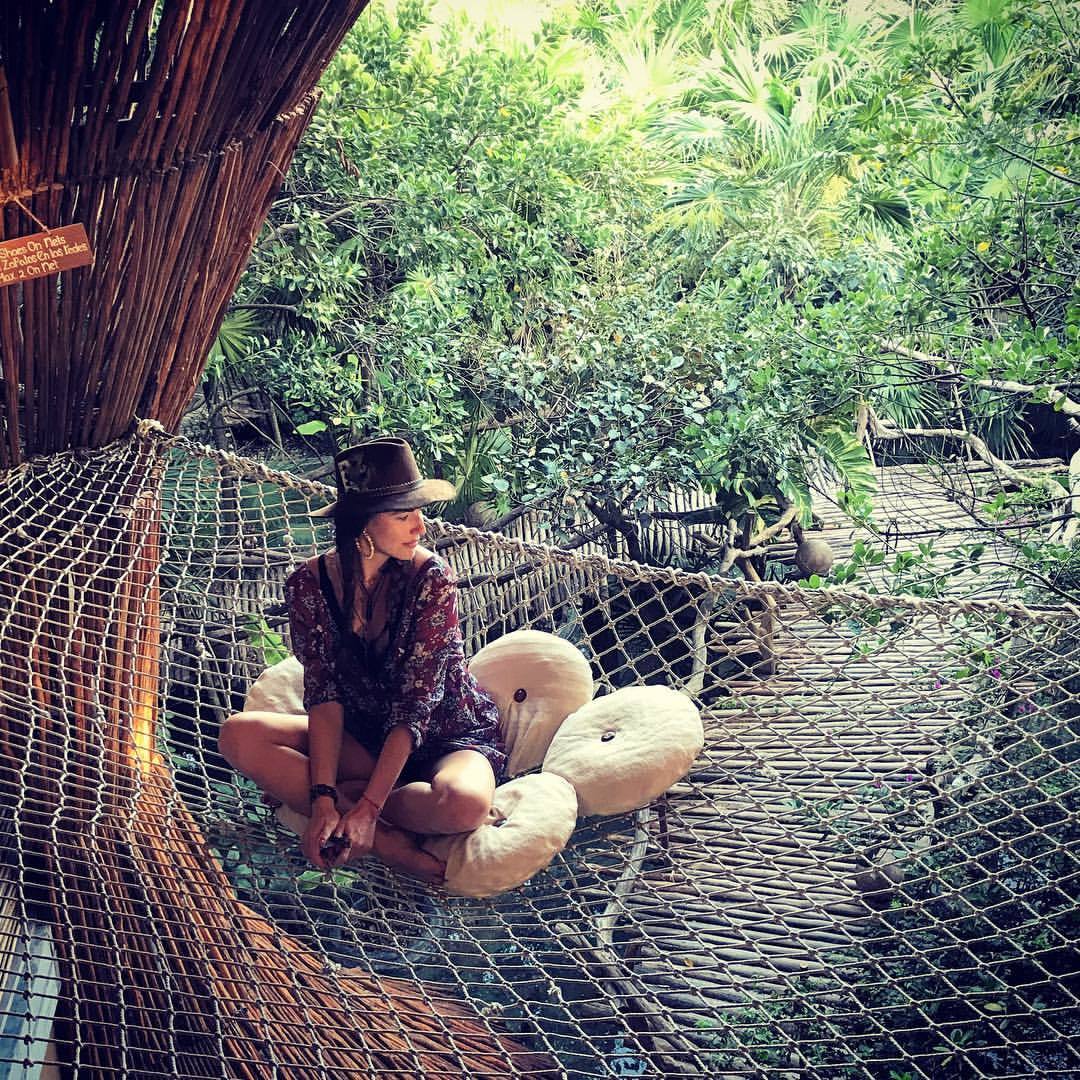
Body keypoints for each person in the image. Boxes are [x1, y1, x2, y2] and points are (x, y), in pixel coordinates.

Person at [219, 437, 505, 883]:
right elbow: (324, 695)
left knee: (465, 804)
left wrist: (368, 807)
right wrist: (322, 799)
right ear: (362, 525)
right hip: (363, 739)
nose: (420, 527)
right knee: (239, 735)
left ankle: (365, 811)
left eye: (419, 512)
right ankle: (386, 838)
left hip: (447, 735)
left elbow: (417, 704)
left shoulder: (432, 580)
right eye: (403, 515)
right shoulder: (309, 585)